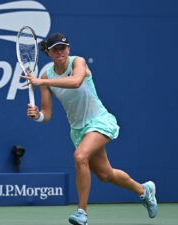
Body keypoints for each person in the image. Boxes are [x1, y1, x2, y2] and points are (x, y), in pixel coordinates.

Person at [21, 32, 158, 225]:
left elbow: (75, 81)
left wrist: (41, 82)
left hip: (99, 121)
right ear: (48, 52)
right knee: (105, 174)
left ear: (68, 49)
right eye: (55, 49)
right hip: (78, 129)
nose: (60, 51)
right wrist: (37, 116)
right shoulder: (46, 76)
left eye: (63, 47)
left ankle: (81, 213)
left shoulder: (78, 62)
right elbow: (47, 115)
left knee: (80, 156)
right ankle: (144, 191)